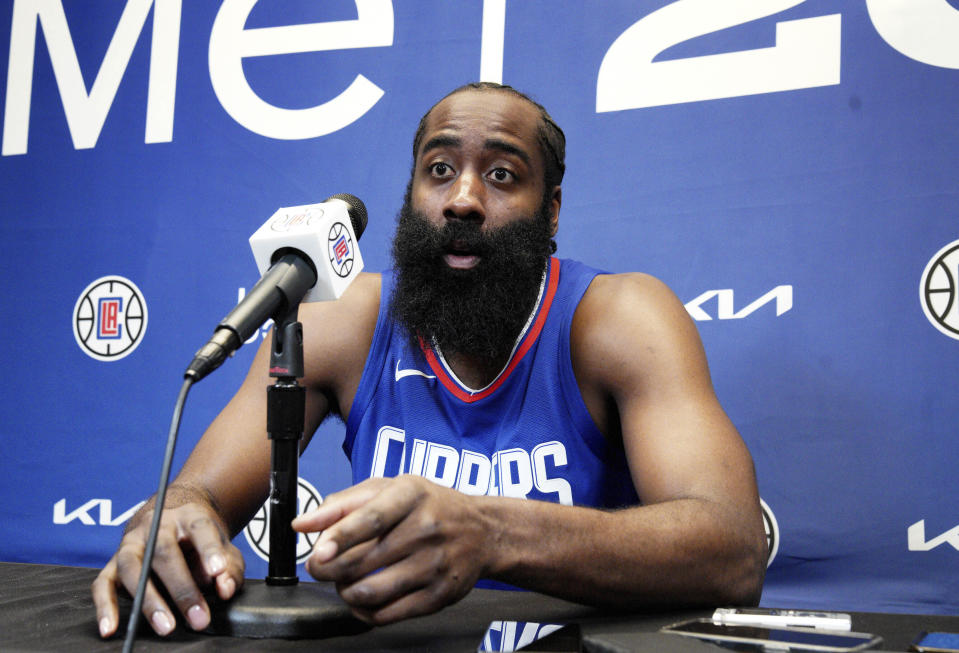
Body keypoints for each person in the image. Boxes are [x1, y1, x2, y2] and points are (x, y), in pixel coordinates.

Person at [92, 82, 767, 639]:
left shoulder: (617, 318)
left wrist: (489, 531)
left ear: (551, 210)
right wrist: (175, 517)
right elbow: (200, 496)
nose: (463, 198)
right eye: (438, 170)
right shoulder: (340, 319)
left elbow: (730, 549)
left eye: (502, 175)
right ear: (413, 191)